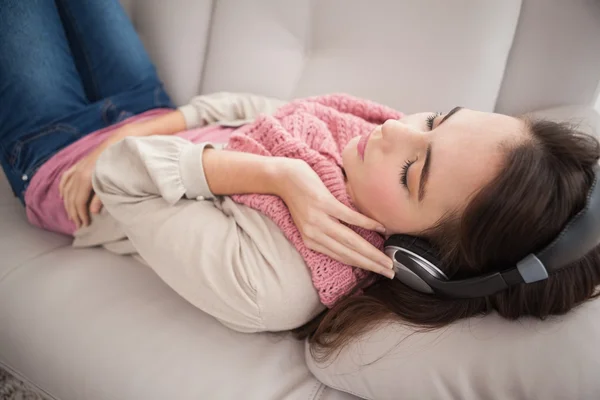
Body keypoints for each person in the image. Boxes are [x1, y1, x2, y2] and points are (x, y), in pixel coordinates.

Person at [2, 1, 600, 341]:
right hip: (148, 111)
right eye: (436, 118)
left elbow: (117, 175)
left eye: (413, 169)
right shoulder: (368, 144)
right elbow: (242, 110)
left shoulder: (272, 285)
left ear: (417, 260)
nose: (393, 130)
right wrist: (157, 123)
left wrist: (277, 177)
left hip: (62, 157)